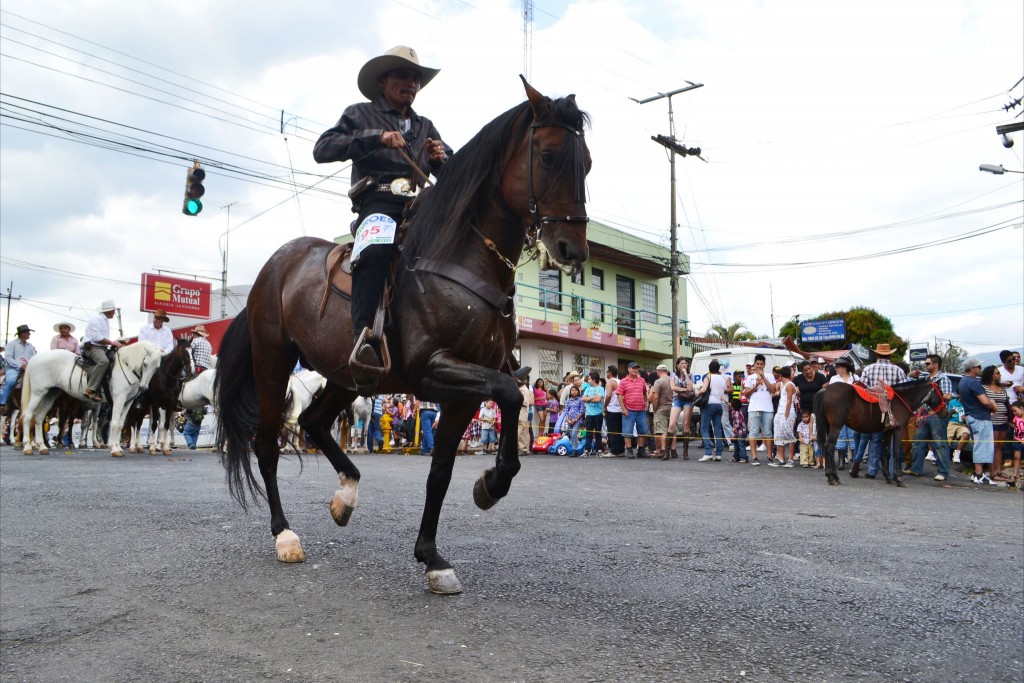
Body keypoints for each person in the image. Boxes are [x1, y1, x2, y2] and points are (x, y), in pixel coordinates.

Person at [313, 46, 453, 391]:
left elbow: (450, 172)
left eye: (416, 78)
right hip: (377, 202)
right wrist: (377, 138)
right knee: (375, 251)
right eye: (403, 76)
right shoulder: (360, 114)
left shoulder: (425, 126)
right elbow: (322, 148)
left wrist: (441, 158)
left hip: (420, 206)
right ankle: (364, 339)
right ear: (383, 80)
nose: (411, 83)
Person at [859, 342, 907, 480]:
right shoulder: (898, 370)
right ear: (890, 355)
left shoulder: (868, 369)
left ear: (877, 354)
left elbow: (862, 389)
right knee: (893, 441)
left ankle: (872, 470)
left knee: (875, 439)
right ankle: (892, 471)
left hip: (874, 408)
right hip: (894, 409)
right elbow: (904, 390)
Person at [905, 354, 954, 482]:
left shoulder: (943, 379)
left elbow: (948, 396)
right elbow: (923, 400)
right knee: (917, 441)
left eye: (927, 364)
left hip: (937, 414)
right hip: (925, 414)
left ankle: (943, 472)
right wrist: (919, 414)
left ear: (936, 364)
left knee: (939, 443)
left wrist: (933, 396)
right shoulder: (927, 379)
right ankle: (916, 469)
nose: (925, 366)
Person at [958, 358, 999, 485]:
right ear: (972, 368)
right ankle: (979, 474)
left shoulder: (962, 381)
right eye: (978, 367)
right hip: (980, 417)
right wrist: (993, 403)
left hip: (970, 415)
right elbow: (985, 401)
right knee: (983, 446)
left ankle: (977, 473)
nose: (980, 369)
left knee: (978, 445)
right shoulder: (973, 383)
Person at [83, 302, 122, 403]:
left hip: (102, 347)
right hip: (93, 347)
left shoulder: (104, 320)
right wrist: (112, 342)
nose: (114, 312)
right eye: (113, 311)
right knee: (103, 361)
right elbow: (96, 338)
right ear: (109, 311)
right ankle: (90, 389)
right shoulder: (97, 320)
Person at [742, 354, 777, 466]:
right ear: (754, 364)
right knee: (753, 432)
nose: (759, 366)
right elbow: (746, 394)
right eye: (757, 364)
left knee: (767, 432)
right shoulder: (750, 377)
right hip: (754, 407)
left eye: (761, 364)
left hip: (767, 407)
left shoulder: (770, 376)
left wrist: (764, 378)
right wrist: (756, 385)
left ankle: (769, 456)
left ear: (764, 365)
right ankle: (754, 457)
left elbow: (773, 389)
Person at [696, 359, 731, 462]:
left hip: (709, 404)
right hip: (719, 404)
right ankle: (719, 454)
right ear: (718, 369)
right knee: (718, 429)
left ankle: (708, 452)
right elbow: (723, 390)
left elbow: (703, 390)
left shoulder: (709, 377)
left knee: (704, 428)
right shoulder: (722, 378)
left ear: (709, 369)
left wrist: (698, 392)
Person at [981, 366, 1012, 481]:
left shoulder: (1002, 388)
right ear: (991, 375)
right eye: (997, 373)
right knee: (992, 446)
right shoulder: (984, 388)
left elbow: (1006, 401)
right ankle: (992, 471)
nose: (999, 375)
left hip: (1003, 419)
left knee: (1000, 446)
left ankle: (999, 470)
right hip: (991, 420)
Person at [617, 362, 649, 459]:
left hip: (641, 410)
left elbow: (644, 393)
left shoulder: (642, 380)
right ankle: (629, 450)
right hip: (629, 409)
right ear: (628, 369)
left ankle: (641, 450)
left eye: (637, 368)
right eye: (633, 368)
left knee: (643, 430)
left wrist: (646, 402)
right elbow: (619, 396)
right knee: (627, 431)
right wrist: (623, 408)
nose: (635, 370)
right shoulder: (623, 381)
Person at [1, 324, 37, 408]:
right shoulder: (11, 344)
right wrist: (20, 365)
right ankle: (3, 402)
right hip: (13, 368)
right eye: (28, 332)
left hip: (28, 368)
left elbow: (34, 357)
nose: (29, 334)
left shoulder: (30, 346)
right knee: (10, 381)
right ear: (22, 333)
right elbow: (8, 358)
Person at [667, 357, 695, 460]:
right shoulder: (673, 375)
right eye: (682, 363)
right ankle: (667, 451)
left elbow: (691, 387)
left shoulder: (690, 375)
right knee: (671, 424)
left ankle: (685, 452)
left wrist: (686, 374)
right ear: (678, 365)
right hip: (677, 398)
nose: (684, 365)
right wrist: (684, 389)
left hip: (688, 399)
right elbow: (673, 387)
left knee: (686, 424)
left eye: (685, 363)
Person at [771, 366, 797, 467]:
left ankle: (790, 459)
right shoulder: (784, 384)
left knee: (789, 435)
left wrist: (786, 414)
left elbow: (790, 400)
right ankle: (781, 459)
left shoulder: (790, 385)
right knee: (778, 436)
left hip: (787, 413)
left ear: (781, 375)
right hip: (780, 412)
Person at [649, 364, 674, 460]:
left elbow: (655, 397)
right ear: (667, 371)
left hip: (661, 408)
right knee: (672, 431)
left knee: (660, 430)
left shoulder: (658, 382)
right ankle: (673, 450)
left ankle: (661, 450)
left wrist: (655, 409)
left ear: (658, 371)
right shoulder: (672, 380)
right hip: (672, 408)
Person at [581, 369, 605, 456]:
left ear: (594, 379)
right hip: (589, 414)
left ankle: (599, 449)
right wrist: (592, 397)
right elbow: (583, 398)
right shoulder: (587, 388)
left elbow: (598, 399)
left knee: (598, 433)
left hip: (598, 414)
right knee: (589, 433)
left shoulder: (601, 388)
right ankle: (587, 450)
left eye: (590, 379)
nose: (588, 380)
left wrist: (589, 398)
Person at [602, 365, 625, 458]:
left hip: (612, 409)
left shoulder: (610, 382)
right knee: (619, 430)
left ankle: (614, 451)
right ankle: (621, 450)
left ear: (610, 372)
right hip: (620, 409)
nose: (606, 373)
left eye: (607, 371)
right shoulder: (620, 381)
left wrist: (605, 406)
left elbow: (608, 395)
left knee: (612, 431)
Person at [562, 385, 585, 456]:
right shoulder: (568, 400)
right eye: (572, 390)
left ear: (578, 391)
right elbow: (566, 411)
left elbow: (582, 411)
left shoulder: (580, 400)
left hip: (577, 420)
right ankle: (574, 449)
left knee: (574, 434)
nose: (574, 392)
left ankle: (576, 450)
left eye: (575, 390)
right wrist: (568, 419)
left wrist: (576, 419)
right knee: (571, 434)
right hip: (569, 420)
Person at [729, 397, 748, 463]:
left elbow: (739, 422)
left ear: (733, 406)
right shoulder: (734, 412)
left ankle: (744, 457)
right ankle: (736, 457)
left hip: (741, 431)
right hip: (737, 432)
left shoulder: (737, 413)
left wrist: (735, 428)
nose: (730, 405)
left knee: (741, 444)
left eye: (731, 404)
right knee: (736, 444)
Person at [517, 378, 533, 453]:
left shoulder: (525, 390)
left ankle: (523, 449)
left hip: (522, 414)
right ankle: (522, 449)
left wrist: (514, 400)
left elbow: (525, 403)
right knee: (521, 433)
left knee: (520, 433)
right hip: (517, 413)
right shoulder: (518, 388)